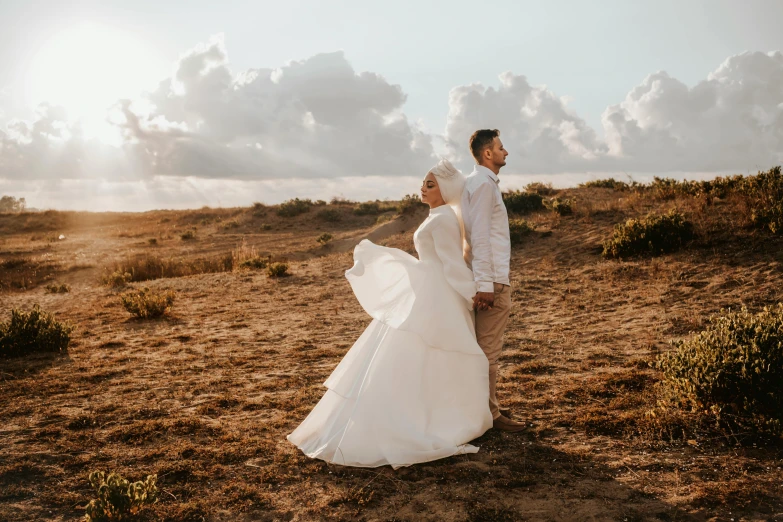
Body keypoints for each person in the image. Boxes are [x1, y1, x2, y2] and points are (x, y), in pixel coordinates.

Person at [287, 159, 493, 468]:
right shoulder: (436, 216)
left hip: (439, 293)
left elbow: (451, 263)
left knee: (433, 351)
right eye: (423, 183)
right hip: (429, 289)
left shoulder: (444, 219)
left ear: (445, 189)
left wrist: (471, 292)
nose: (422, 188)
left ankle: (440, 416)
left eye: (429, 184)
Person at [462, 129, 527, 433]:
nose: (506, 152)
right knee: (488, 352)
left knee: (479, 350)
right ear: (487, 153)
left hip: (485, 277)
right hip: (492, 281)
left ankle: (485, 407)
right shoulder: (484, 185)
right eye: (501, 147)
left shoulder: (475, 183)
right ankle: (490, 416)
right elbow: (480, 237)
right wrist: (486, 284)